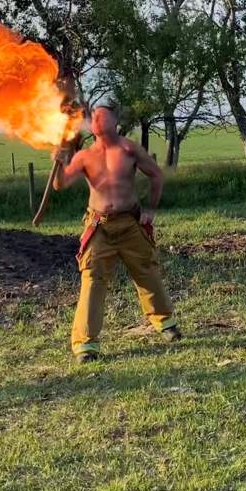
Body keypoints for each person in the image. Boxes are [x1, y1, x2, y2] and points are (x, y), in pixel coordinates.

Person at [51, 101, 181, 363]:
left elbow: (156, 175)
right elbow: (59, 184)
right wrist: (59, 159)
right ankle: (86, 344)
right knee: (92, 279)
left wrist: (151, 210)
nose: (97, 119)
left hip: (130, 223)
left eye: (103, 115)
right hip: (99, 226)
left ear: (115, 122)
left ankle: (165, 322)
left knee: (145, 270)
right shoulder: (84, 156)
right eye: (94, 116)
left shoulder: (129, 148)